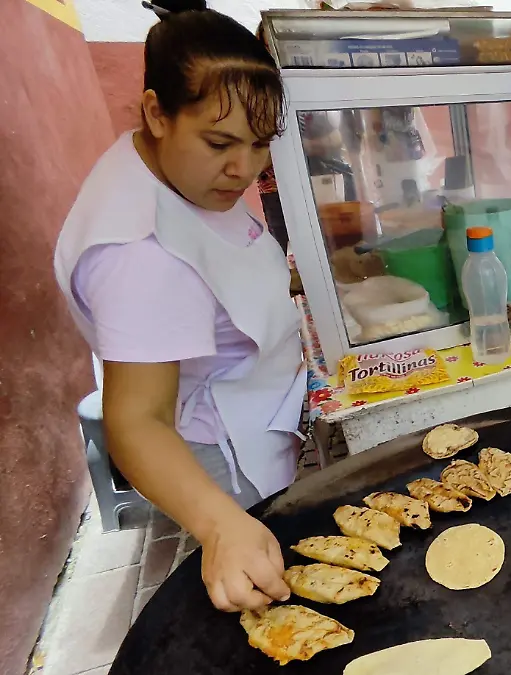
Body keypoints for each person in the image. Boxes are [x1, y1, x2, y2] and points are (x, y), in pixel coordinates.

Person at [53, 0, 304, 613]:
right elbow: (137, 420)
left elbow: (218, 275)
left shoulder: (167, 167)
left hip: (257, 405)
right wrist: (221, 527)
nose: (243, 169)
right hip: (229, 450)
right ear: (155, 112)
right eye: (219, 142)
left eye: (259, 144)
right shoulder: (140, 252)